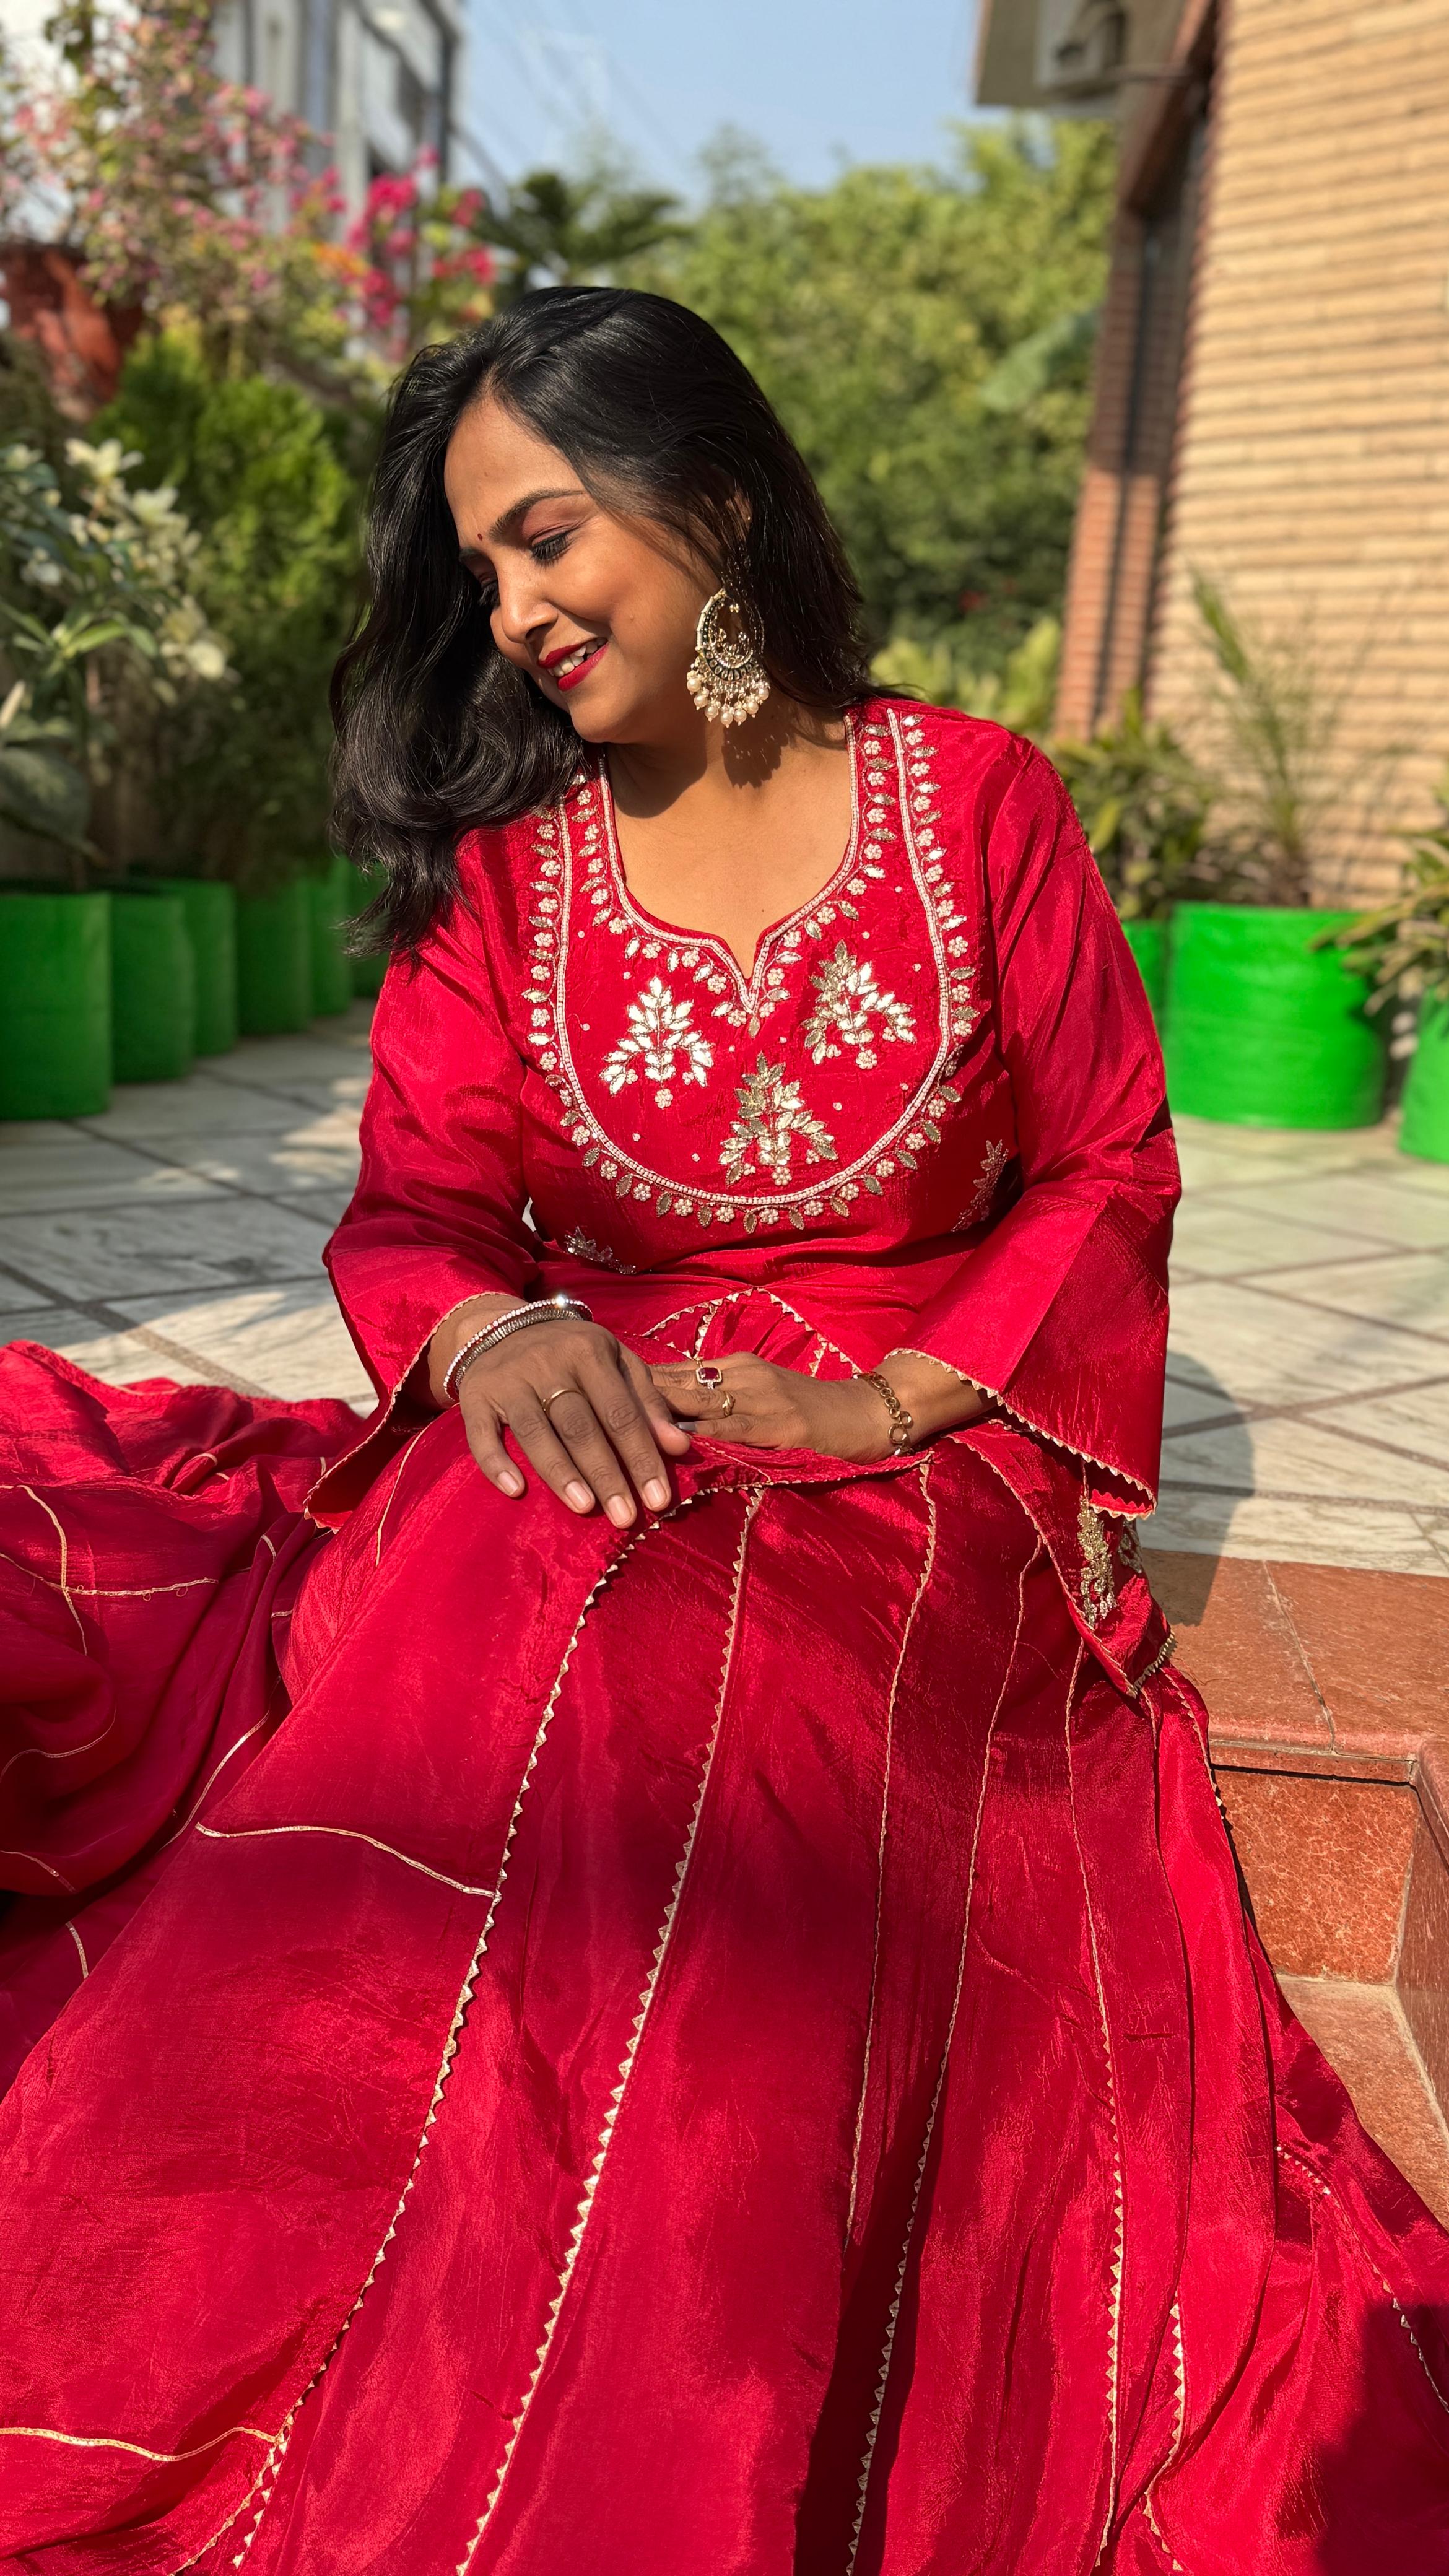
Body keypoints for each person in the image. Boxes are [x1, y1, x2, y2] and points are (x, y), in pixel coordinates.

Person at [0, 287, 1445, 2576]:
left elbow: (1099, 1166)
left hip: (912, 1440)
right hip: (598, 1398)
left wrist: (879, 1396)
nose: (515, 610)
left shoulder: (975, 802)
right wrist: (487, 1334)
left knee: (721, 1682)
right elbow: (416, 1205)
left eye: (547, 535)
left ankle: (610, 2379)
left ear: (722, 500)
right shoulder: (508, 870)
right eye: (481, 570)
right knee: (503, 1592)